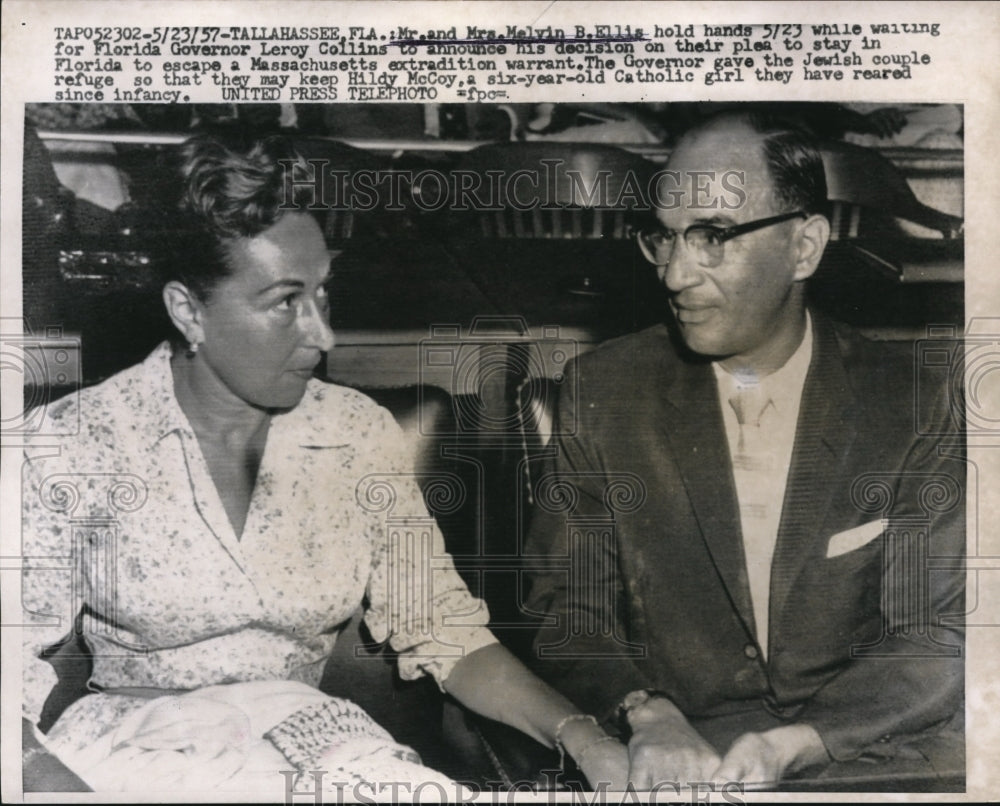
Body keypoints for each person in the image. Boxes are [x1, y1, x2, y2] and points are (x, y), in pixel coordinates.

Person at [20, 133, 629, 794]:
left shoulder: (354, 434)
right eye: (287, 302)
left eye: (324, 294)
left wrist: (585, 738)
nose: (324, 334)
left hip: (314, 749)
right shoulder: (76, 442)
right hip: (135, 758)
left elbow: (450, 636)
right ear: (187, 311)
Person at [524, 110, 965, 789]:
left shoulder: (910, 399)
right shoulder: (602, 391)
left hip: (861, 750)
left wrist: (800, 744)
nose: (675, 275)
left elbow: (937, 633)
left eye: (713, 236)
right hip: (679, 751)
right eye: (663, 239)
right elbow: (563, 609)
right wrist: (649, 712)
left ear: (805, 247)